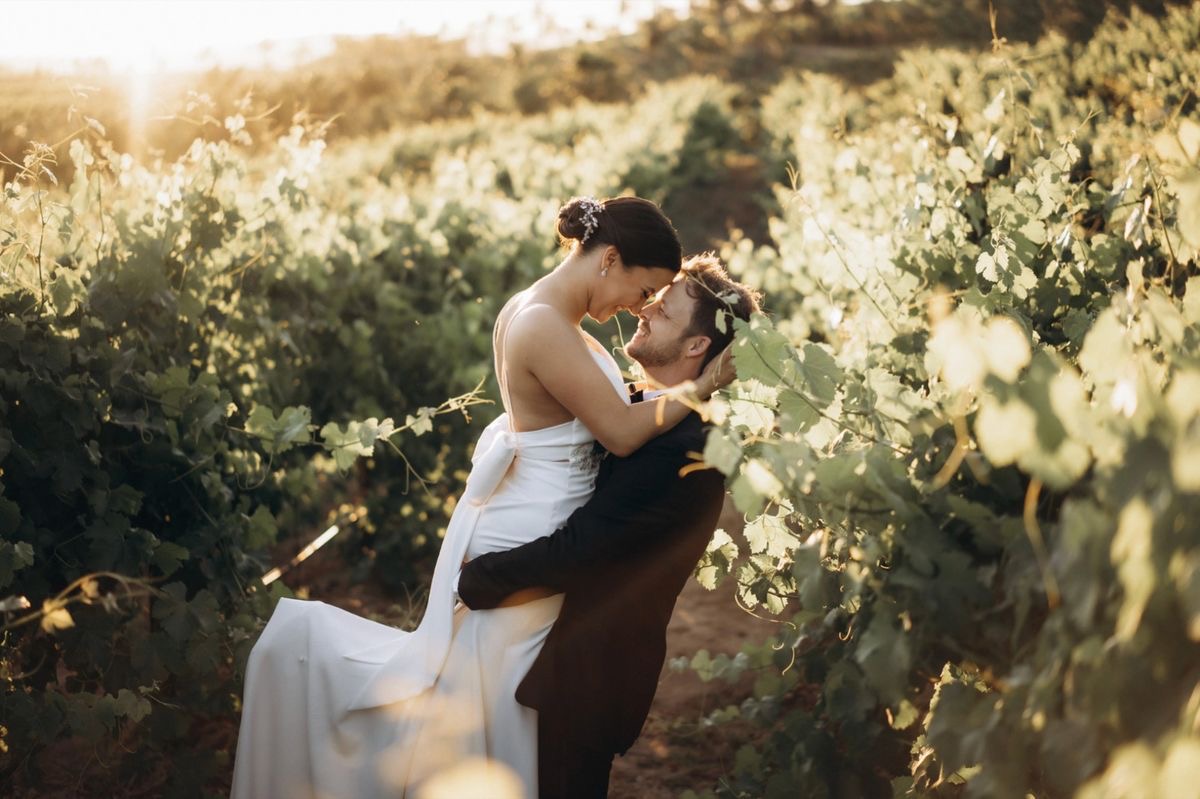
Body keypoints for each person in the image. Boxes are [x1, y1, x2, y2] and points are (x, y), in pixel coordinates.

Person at [230, 196, 731, 799]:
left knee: (489, 698)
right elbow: (623, 433)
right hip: (536, 527)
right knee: (490, 706)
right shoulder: (545, 324)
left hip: (535, 517)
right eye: (641, 287)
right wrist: (702, 386)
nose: (637, 306)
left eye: (653, 299)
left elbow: (606, 411)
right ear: (611, 259)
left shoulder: (541, 312)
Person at [457, 253, 760, 799]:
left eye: (663, 310)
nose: (645, 310)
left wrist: (478, 577)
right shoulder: (633, 405)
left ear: (697, 347)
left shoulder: (685, 450)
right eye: (651, 298)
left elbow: (584, 549)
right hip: (537, 655)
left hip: (581, 680)